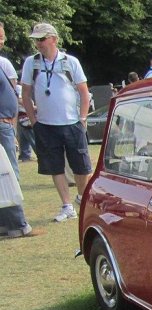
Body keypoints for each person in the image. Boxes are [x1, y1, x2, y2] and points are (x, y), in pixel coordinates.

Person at [21, 22, 92, 222]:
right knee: (55, 167)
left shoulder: (71, 61)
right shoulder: (31, 63)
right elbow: (26, 94)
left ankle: (81, 198)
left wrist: (83, 118)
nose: (38, 44)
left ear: (54, 39)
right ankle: (67, 205)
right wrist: (34, 121)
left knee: (81, 166)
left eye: (42, 39)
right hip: (45, 125)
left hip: (72, 122)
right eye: (36, 40)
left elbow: (84, 92)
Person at [0, 22, 37, 238]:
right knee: (9, 174)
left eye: (2, 35)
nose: (2, 39)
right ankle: (19, 224)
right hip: (2, 124)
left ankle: (6, 224)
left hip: (5, 122)